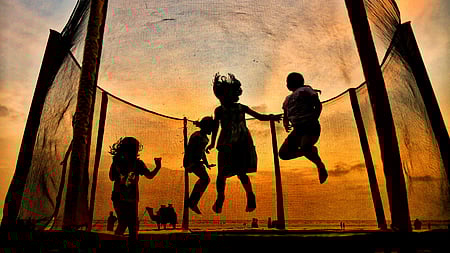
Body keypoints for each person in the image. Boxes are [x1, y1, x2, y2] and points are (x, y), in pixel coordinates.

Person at [207, 72, 281, 213]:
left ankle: (245, 195)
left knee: (234, 173)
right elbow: (216, 127)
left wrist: (272, 117)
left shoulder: (235, 108)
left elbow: (259, 117)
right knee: (228, 173)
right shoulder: (224, 110)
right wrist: (212, 143)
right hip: (231, 143)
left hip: (237, 143)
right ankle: (224, 197)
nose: (221, 98)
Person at [109, 137, 162, 240]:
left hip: (121, 197)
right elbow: (150, 175)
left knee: (126, 223)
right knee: (130, 225)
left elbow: (111, 177)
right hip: (128, 198)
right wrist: (158, 167)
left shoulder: (118, 161)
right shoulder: (137, 163)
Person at [278, 72, 328, 184]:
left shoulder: (305, 90)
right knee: (283, 154)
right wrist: (286, 122)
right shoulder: (287, 99)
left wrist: (314, 118)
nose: (287, 84)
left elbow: (317, 105)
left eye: (289, 81)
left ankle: (319, 165)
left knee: (305, 146)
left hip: (310, 126)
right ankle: (311, 151)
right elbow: (285, 114)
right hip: (298, 130)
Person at [184, 116, 216, 214]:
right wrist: (189, 164)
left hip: (197, 162)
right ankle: (192, 202)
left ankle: (192, 202)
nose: (212, 130)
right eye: (211, 127)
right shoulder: (196, 136)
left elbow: (202, 152)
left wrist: (207, 164)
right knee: (205, 179)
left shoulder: (205, 138)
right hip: (191, 161)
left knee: (205, 180)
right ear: (206, 127)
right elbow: (189, 150)